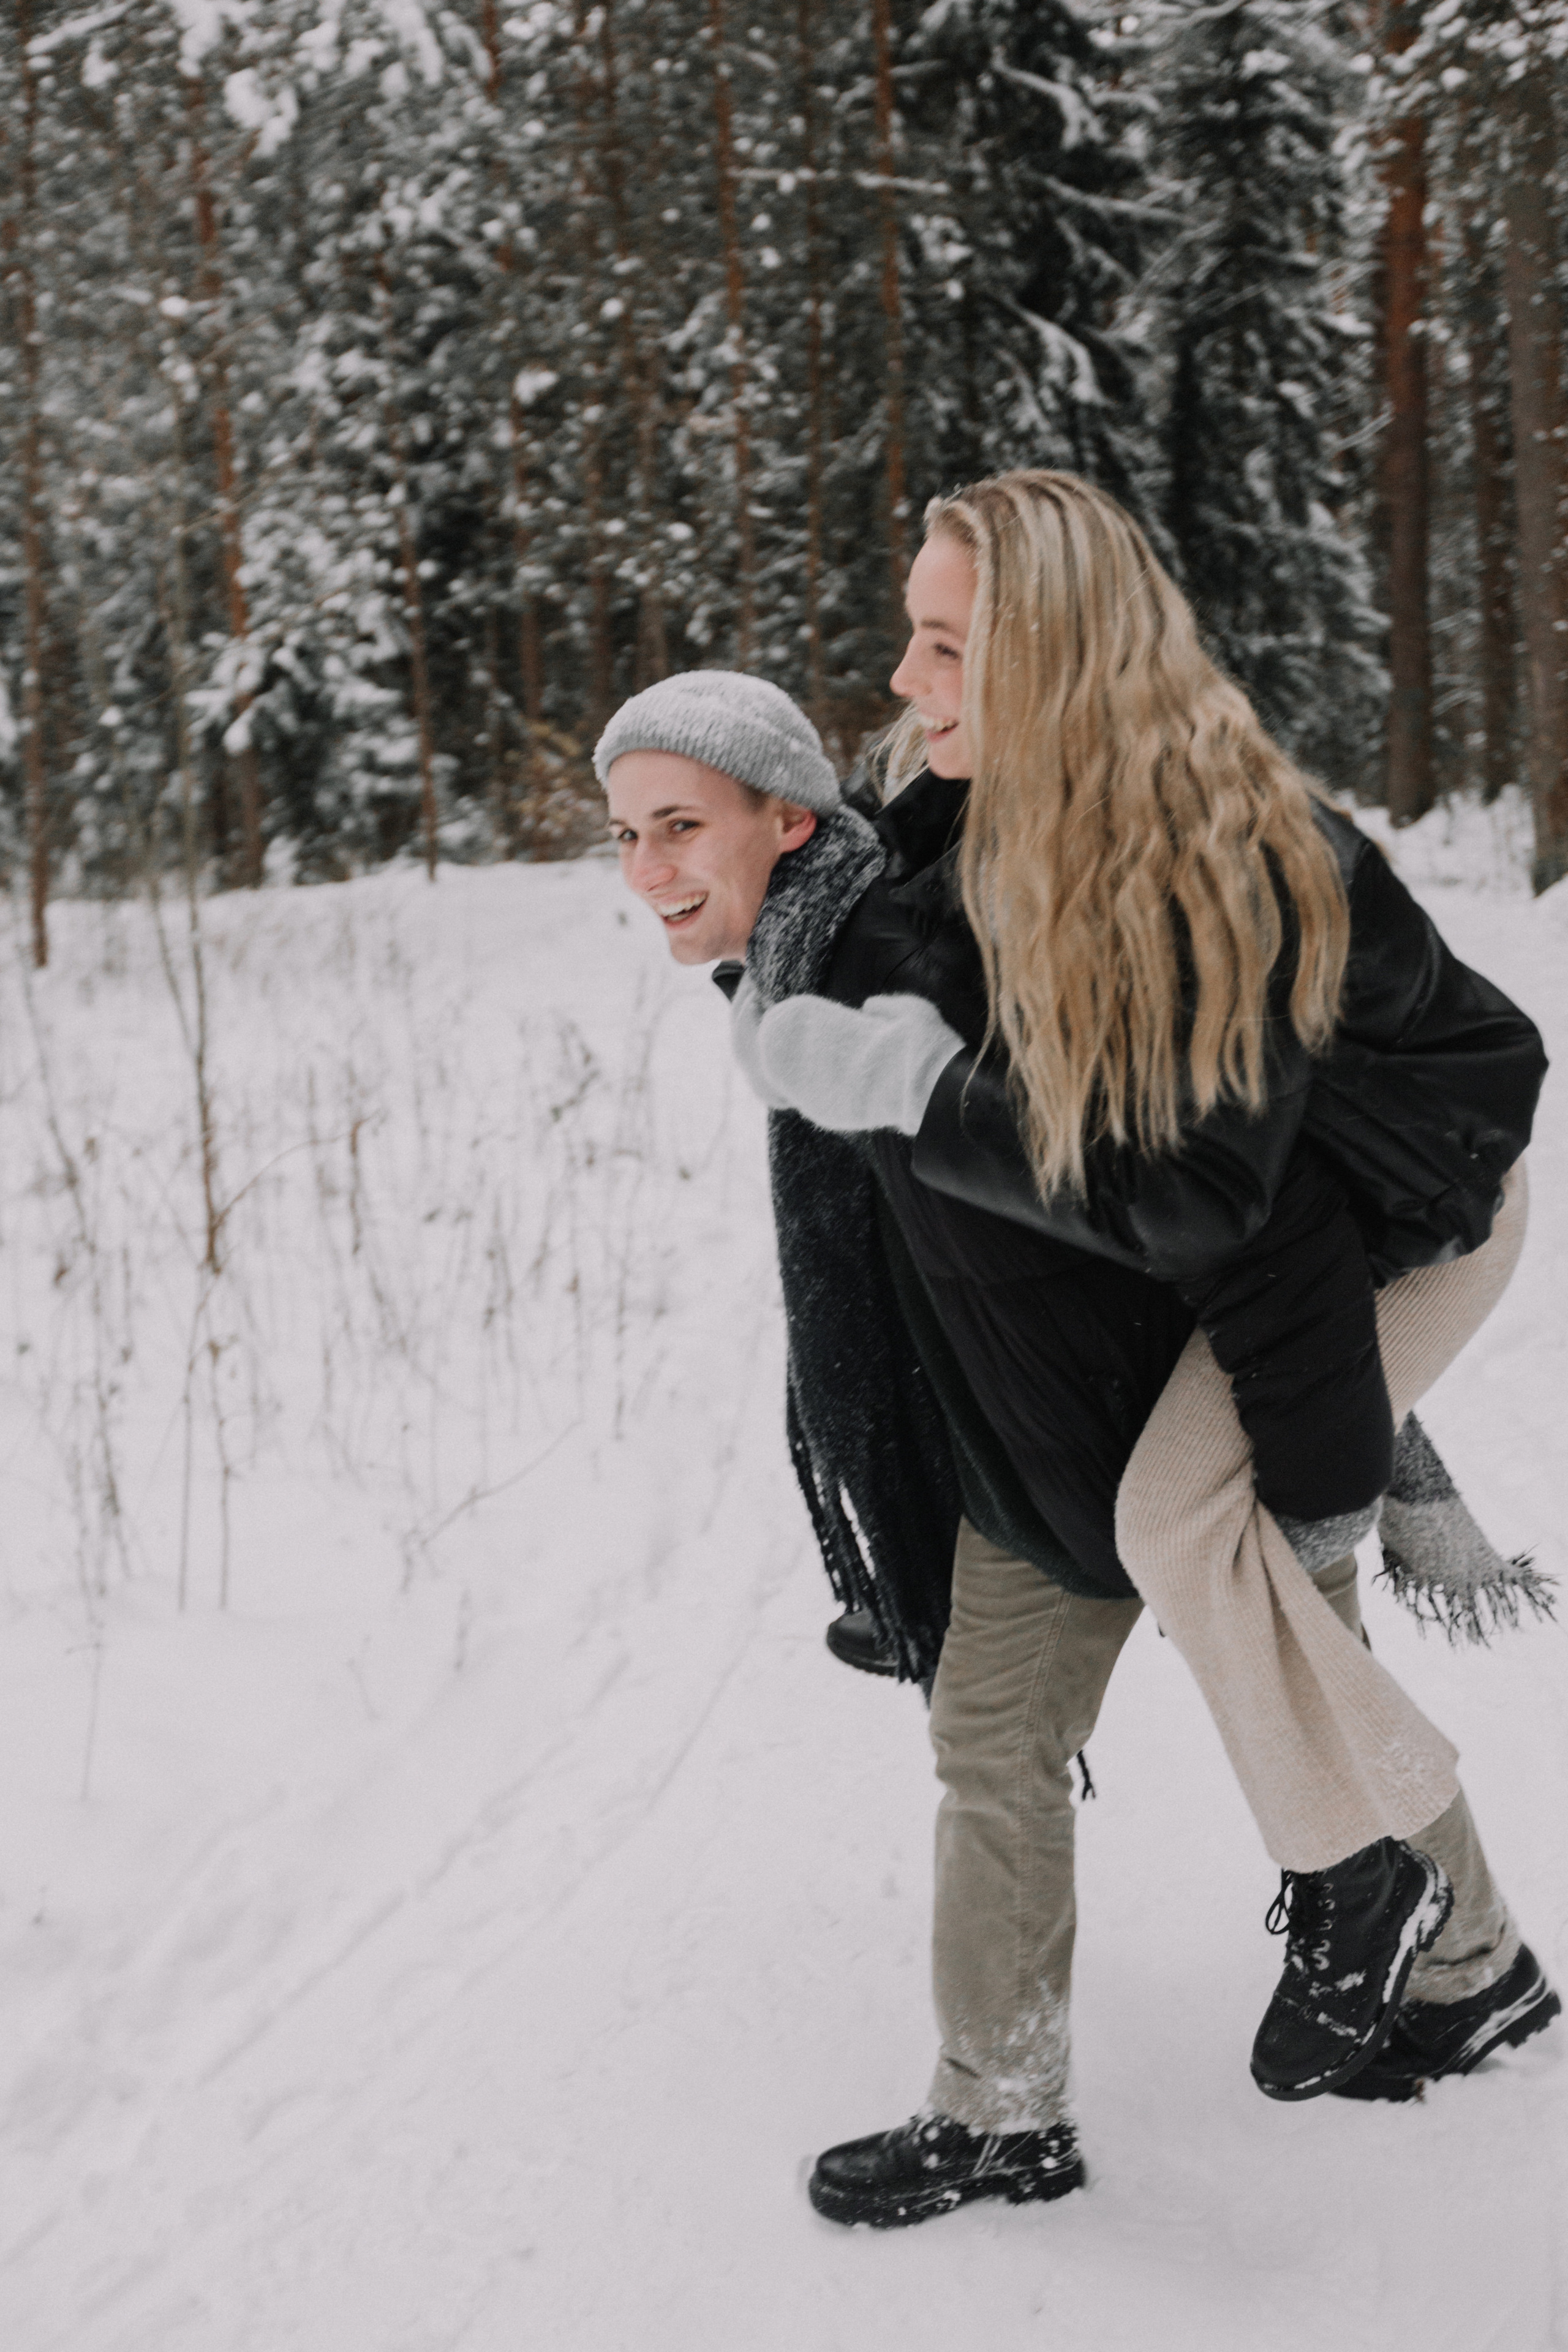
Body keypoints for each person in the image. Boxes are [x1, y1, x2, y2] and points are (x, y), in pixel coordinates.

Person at [597, 578, 1556, 2230]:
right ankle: (1017, 2105)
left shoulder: (912, 960)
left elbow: (1224, 1207)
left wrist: (1323, 1460)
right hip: (1025, 1452)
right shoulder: (807, 977)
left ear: (786, 817)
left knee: (1293, 1678)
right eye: (627, 837)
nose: (650, 872)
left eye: (681, 826)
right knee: (1040, 1733)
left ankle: (1439, 1962)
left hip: (1189, 1412)